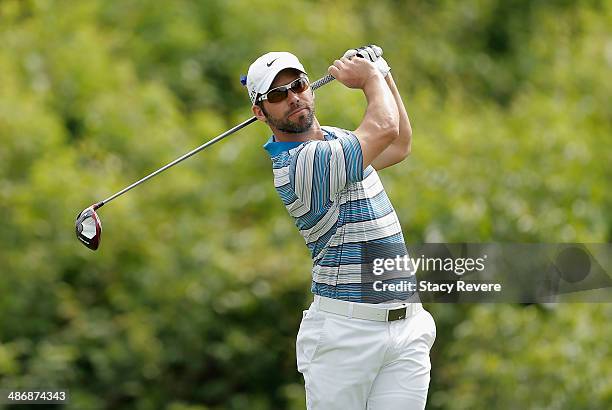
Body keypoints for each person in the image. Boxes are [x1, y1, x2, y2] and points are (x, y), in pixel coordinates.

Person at [243, 45, 436, 410]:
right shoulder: (299, 165)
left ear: (310, 87)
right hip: (346, 335)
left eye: (297, 85)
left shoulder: (335, 139)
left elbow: (399, 143)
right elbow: (384, 126)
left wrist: (382, 68)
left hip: (406, 327)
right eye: (277, 95)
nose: (293, 98)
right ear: (260, 111)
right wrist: (369, 78)